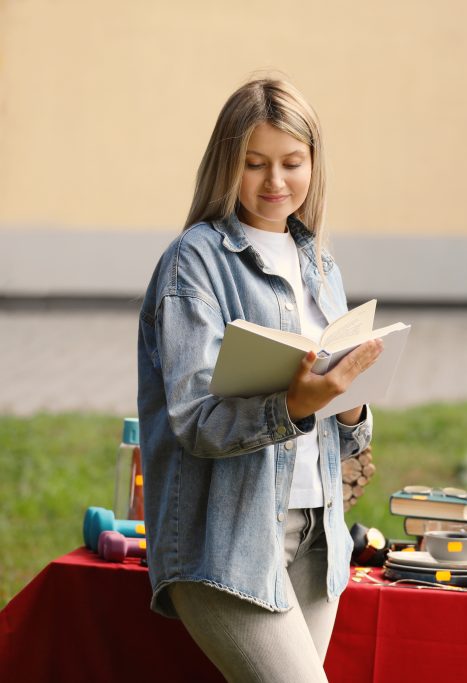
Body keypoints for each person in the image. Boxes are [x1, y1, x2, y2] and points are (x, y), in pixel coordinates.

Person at [137, 78, 383, 682]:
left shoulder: (321, 266)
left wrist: (349, 411)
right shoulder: (193, 262)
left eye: (291, 163)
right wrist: (296, 404)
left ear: (313, 166)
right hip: (229, 540)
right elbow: (195, 421)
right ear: (227, 165)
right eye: (255, 164)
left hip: (317, 535)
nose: (276, 182)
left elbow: (340, 434)